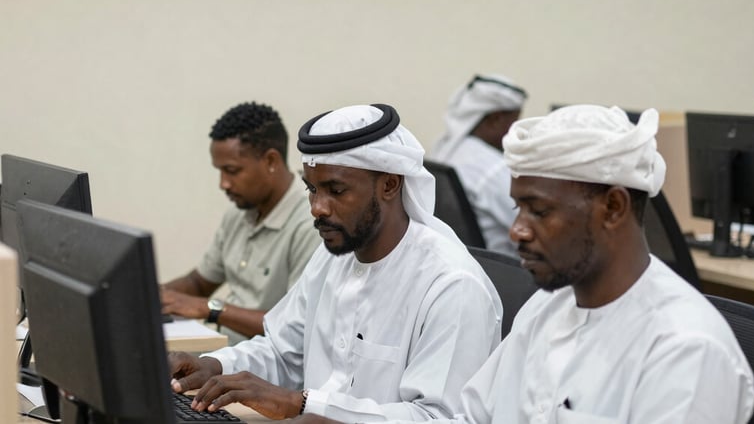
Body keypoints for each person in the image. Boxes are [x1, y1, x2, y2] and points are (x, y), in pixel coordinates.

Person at [289, 105, 754, 424]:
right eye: (518, 209)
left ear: (613, 207)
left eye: (540, 210)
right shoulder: (545, 312)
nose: (517, 231)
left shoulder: (687, 350)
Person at [167, 104, 503, 422]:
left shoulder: (451, 285)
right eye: (312, 189)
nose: (317, 207)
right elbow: (284, 351)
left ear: (389, 184)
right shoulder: (333, 255)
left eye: (336, 190)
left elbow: (439, 418)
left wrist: (303, 404)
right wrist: (214, 365)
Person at [161, 102, 320, 344]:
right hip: (225, 354)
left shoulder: (310, 222)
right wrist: (149, 298)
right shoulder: (240, 211)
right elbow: (198, 283)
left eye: (232, 171)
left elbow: (296, 327)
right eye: (220, 171)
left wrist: (211, 308)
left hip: (267, 368)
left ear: (271, 161)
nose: (223, 183)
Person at [429, 74, 527, 257]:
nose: (516, 132)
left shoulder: (443, 149)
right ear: (495, 119)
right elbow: (532, 224)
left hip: (458, 260)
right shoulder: (493, 169)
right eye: (513, 122)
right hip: (506, 274)